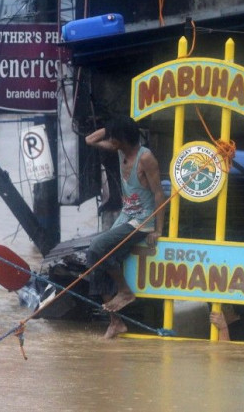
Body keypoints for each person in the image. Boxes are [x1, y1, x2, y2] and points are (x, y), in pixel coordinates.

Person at [85, 117, 165, 339]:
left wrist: (158, 230)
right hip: (126, 217)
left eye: (114, 137)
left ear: (123, 139)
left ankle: (126, 292)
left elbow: (159, 194)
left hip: (142, 221)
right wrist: (112, 127)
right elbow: (89, 140)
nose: (110, 140)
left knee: (97, 246)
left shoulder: (145, 158)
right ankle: (116, 322)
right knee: (95, 258)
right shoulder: (119, 149)